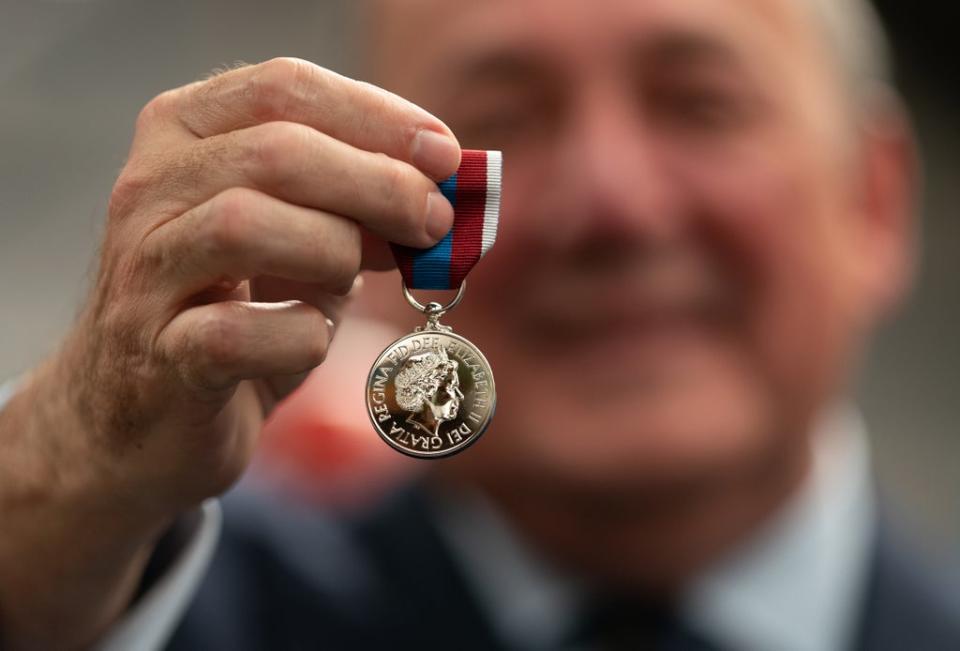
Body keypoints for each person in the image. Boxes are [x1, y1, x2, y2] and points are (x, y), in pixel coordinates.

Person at [0, 0, 957, 649]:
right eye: (505, 119)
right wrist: (64, 476)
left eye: (699, 105)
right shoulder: (130, 602)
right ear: (363, 220)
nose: (609, 202)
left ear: (873, 199)